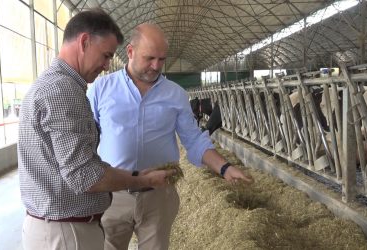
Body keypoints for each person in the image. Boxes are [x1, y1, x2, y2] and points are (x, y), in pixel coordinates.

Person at [18, 10, 175, 250]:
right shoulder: (63, 91)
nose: (106, 65)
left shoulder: (55, 84)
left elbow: (80, 163)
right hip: (66, 233)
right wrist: (143, 179)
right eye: (105, 55)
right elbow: (84, 175)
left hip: (58, 228)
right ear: (84, 42)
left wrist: (135, 176)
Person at [87, 23, 253, 250]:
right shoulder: (100, 89)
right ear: (130, 52)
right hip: (112, 195)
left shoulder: (175, 94)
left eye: (161, 59)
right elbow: (88, 136)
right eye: (149, 58)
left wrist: (224, 168)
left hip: (158, 194)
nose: (156, 66)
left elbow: (194, 140)